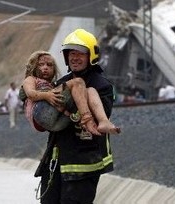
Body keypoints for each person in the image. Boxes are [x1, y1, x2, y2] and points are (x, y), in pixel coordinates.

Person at [35, 29, 117, 204]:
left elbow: (98, 117)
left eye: (80, 53)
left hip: (84, 164)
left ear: (91, 55)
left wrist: (69, 110)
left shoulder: (102, 86)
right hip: (56, 161)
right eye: (71, 53)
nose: (74, 58)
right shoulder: (60, 83)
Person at [22, 50, 120, 135]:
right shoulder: (31, 79)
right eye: (41, 64)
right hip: (40, 113)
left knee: (90, 90)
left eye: (49, 65)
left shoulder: (54, 85)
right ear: (34, 66)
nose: (45, 67)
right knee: (78, 82)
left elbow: (57, 104)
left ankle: (103, 121)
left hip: (57, 123)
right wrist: (46, 95)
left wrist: (68, 113)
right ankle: (88, 120)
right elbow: (31, 94)